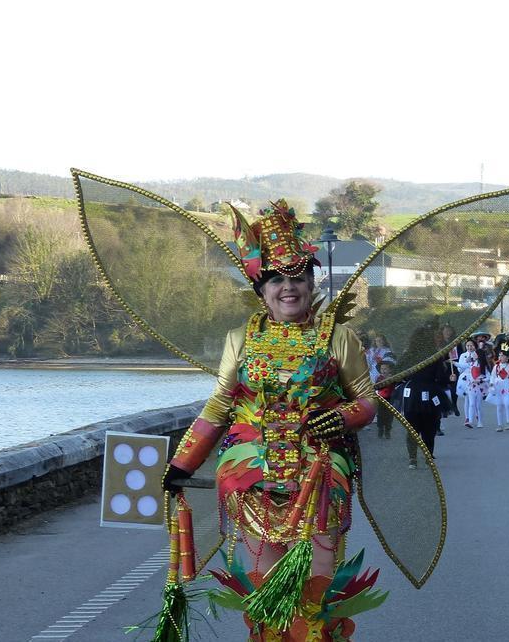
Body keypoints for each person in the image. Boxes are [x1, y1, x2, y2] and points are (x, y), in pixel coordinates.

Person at [160, 200, 380, 638]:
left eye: (298, 277)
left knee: (318, 587)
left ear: (311, 283)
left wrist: (340, 419)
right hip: (251, 476)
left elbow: (366, 402)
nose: (288, 288)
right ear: (261, 290)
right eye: (277, 279)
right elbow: (219, 406)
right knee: (263, 585)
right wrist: (182, 463)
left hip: (318, 474)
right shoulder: (240, 339)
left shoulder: (339, 338)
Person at [487, 349, 509, 431]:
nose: (500, 357)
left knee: (507, 404)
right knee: (499, 406)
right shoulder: (496, 367)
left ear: (507, 358)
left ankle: (508, 422)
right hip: (498, 388)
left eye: (502, 355)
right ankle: (499, 424)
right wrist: (491, 383)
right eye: (499, 355)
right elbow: (492, 377)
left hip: (507, 388)